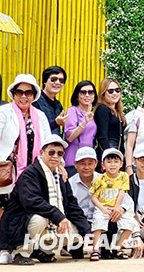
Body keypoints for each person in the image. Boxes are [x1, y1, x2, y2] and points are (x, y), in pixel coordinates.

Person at [0, 135, 91, 265]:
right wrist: (59, 217)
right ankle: (21, 252)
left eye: (59, 153)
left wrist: (86, 231)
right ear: (41, 152)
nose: (55, 156)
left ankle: (41, 249)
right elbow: (32, 202)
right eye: (51, 152)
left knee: (77, 231)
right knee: (39, 219)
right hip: (20, 223)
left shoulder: (60, 176)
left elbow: (72, 205)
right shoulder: (30, 173)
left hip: (49, 224)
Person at [0, 73, 52, 203]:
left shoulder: (40, 116)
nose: (23, 96)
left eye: (28, 93)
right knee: (6, 207)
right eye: (19, 92)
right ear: (13, 94)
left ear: (33, 96)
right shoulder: (4, 112)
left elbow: (49, 143)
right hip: (8, 170)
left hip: (33, 171)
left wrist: (59, 164)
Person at [89, 148, 135, 261]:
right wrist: (102, 209)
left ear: (121, 164)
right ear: (103, 165)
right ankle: (96, 249)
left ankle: (118, 248)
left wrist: (116, 207)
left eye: (116, 162)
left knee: (130, 224)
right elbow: (94, 197)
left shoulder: (124, 176)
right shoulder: (99, 179)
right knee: (98, 222)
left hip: (117, 206)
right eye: (109, 162)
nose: (112, 165)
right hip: (103, 206)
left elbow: (122, 192)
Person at [63, 81, 98, 177]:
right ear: (77, 95)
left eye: (90, 92)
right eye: (83, 92)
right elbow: (69, 137)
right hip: (74, 160)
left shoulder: (94, 113)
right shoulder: (72, 111)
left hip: (89, 160)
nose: (87, 95)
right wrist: (84, 122)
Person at [94, 78, 127, 162]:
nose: (115, 93)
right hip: (108, 152)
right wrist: (109, 156)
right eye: (111, 91)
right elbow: (102, 136)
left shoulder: (117, 112)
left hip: (118, 152)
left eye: (117, 90)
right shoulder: (103, 109)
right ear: (103, 94)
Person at [33, 66, 68, 136]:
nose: (57, 82)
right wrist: (55, 123)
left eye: (61, 81)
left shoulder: (58, 105)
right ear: (45, 81)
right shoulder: (35, 100)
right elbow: (35, 127)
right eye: (53, 79)